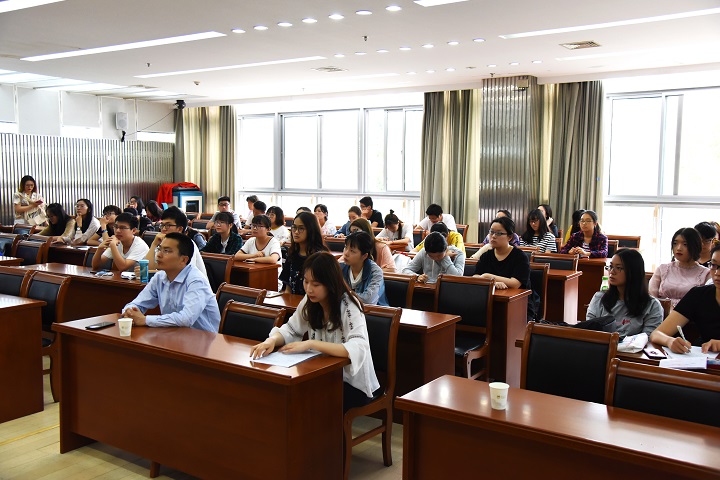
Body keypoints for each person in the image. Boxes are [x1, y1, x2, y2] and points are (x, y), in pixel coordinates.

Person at [250, 252, 379, 412]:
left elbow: (358, 347)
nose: (309, 289)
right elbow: (291, 329)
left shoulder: (349, 304)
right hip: (321, 375)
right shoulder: (310, 301)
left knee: (310, 399)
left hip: (352, 383)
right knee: (286, 393)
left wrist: (311, 344)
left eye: (316, 284)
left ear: (330, 283)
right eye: (306, 281)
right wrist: (271, 341)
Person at [122, 232, 220, 332]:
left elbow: (186, 319)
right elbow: (137, 303)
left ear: (183, 260)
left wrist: (145, 320)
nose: (159, 255)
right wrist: (129, 312)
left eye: (166, 251)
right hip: (172, 334)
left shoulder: (196, 281)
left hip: (202, 338)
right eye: (159, 249)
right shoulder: (159, 277)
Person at [650, 244, 720, 354]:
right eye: (714, 265)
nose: (717, 273)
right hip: (703, 358)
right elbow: (656, 334)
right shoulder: (699, 295)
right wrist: (669, 341)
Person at [586, 249, 663, 338]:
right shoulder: (599, 298)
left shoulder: (652, 306)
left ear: (633, 272)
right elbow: (590, 333)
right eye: (611, 266)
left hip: (633, 347)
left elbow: (647, 339)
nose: (612, 272)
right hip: (602, 346)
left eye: (619, 268)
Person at [473, 216, 536, 319]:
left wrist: (488, 277)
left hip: (518, 305)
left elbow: (515, 284)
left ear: (510, 237)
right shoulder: (486, 255)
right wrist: (493, 283)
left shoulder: (520, 257)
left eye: (499, 233)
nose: (493, 236)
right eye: (491, 232)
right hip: (491, 302)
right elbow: (475, 277)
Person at [649, 227, 711, 307]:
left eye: (685, 244)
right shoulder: (662, 269)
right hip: (662, 312)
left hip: (691, 313)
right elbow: (652, 296)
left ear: (695, 246)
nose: (678, 248)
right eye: (675, 243)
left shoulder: (706, 273)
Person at [142, 206, 207, 277]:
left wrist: (152, 273)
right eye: (162, 225)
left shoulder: (188, 245)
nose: (163, 229)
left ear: (179, 229)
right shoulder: (162, 243)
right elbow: (147, 268)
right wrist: (154, 244)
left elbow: (182, 274)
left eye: (168, 225)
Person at [279, 211, 329, 295]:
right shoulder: (292, 254)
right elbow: (288, 288)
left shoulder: (321, 257)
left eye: (301, 228)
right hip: (293, 301)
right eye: (294, 227)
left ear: (311, 230)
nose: (296, 232)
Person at [340, 232, 389, 306]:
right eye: (346, 247)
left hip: (374, 311)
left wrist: (342, 295)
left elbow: (368, 300)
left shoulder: (375, 272)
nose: (346, 253)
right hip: (347, 309)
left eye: (352, 251)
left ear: (364, 256)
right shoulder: (340, 267)